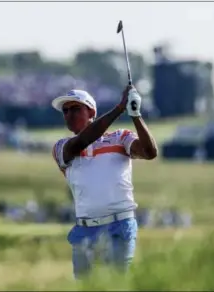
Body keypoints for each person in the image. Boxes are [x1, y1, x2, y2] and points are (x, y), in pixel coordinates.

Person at [51, 85, 158, 279]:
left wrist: (135, 114)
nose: (69, 114)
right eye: (65, 111)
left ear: (91, 111)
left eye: (75, 109)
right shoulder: (62, 147)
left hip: (119, 227)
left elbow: (150, 152)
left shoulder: (120, 138)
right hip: (84, 232)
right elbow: (81, 142)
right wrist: (119, 108)